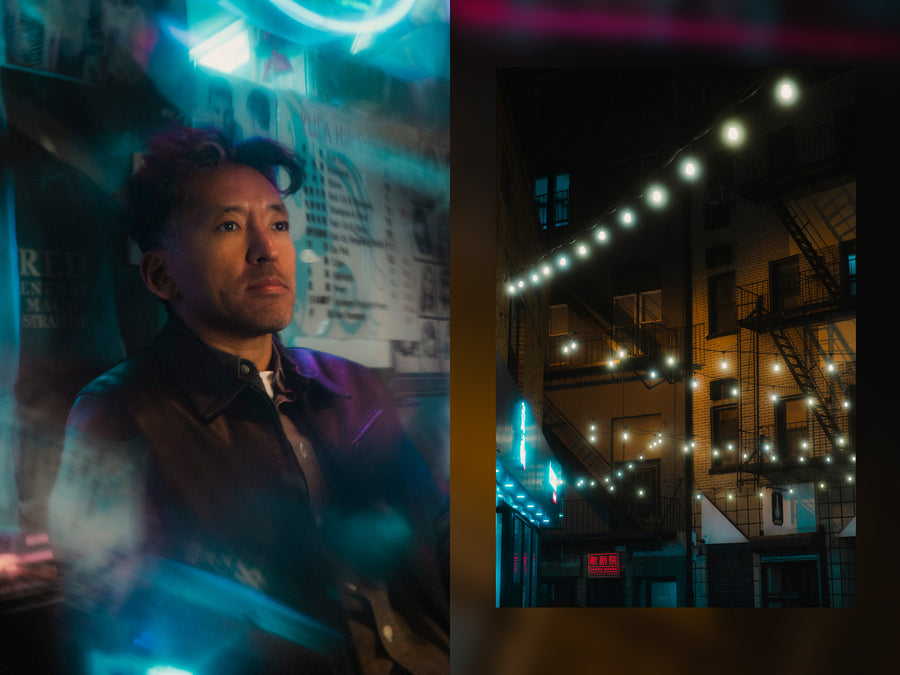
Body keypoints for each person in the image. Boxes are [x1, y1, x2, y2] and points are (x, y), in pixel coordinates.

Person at [47, 125, 449, 674]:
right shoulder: (117, 412)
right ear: (162, 274)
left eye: (278, 223)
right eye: (230, 225)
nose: (267, 250)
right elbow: (106, 615)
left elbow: (437, 529)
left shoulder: (351, 384)